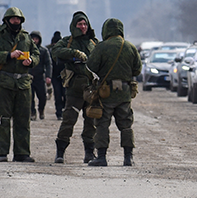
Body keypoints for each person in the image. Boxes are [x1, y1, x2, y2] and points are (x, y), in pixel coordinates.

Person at [0, 7, 39, 162]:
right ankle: (2, 153)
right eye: (13, 19)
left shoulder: (25, 37)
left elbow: (36, 53)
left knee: (23, 119)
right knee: (3, 119)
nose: (16, 21)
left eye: (18, 19)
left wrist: (31, 61)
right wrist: (8, 55)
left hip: (23, 83)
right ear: (7, 20)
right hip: (2, 83)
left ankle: (22, 153)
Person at [85, 18, 142, 166]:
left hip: (106, 92)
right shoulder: (130, 47)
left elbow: (91, 66)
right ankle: (128, 157)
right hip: (124, 92)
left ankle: (102, 157)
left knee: (102, 124)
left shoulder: (102, 47)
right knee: (126, 124)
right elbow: (137, 69)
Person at [50, 11, 99, 164]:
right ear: (74, 25)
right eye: (80, 24)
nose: (83, 27)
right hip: (74, 89)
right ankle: (60, 152)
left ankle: (89, 153)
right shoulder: (67, 41)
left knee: (91, 121)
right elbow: (55, 52)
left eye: (84, 24)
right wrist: (74, 53)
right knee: (68, 120)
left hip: (91, 89)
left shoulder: (94, 42)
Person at [28, 31, 52, 120]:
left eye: (36, 39)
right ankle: (32, 112)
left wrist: (48, 76)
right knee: (30, 97)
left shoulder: (43, 51)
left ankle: (41, 110)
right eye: (32, 39)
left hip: (40, 77)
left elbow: (48, 64)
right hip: (29, 77)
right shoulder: (27, 50)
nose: (34, 41)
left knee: (42, 97)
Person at [48, 31, 66, 119]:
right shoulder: (50, 52)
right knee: (58, 95)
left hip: (64, 76)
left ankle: (63, 110)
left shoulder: (64, 52)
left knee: (65, 94)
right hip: (55, 77)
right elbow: (48, 64)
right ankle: (59, 112)